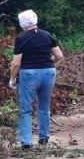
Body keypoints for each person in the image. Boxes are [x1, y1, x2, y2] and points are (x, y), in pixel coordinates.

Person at [9, 10, 64, 149]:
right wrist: (48, 64)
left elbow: (16, 63)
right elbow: (59, 55)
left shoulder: (21, 38)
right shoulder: (46, 35)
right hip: (48, 72)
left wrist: (12, 79)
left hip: (29, 74)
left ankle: (26, 142)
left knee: (25, 109)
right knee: (44, 107)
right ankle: (44, 138)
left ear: (22, 23)